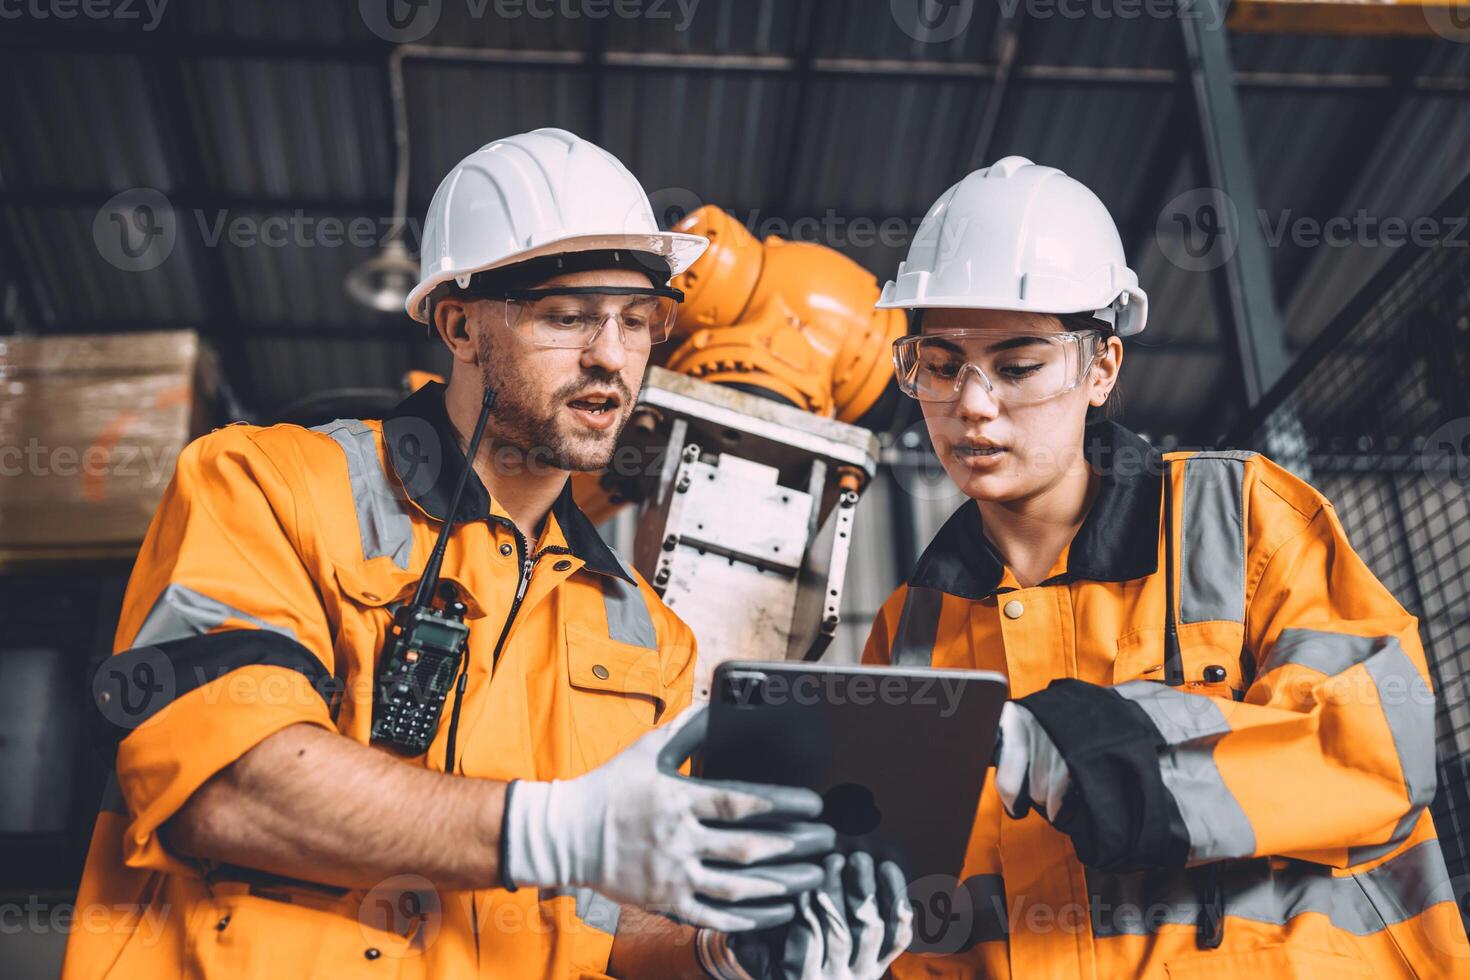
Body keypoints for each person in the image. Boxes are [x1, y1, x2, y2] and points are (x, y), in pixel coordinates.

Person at [64, 128, 909, 979]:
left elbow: (600, 925)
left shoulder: (649, 639)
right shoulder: (268, 487)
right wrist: (552, 829)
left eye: (638, 319)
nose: (611, 356)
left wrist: (726, 956)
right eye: (567, 315)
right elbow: (224, 788)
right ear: (461, 324)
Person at [862, 155, 1468, 977]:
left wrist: (1079, 753)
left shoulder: (1237, 515)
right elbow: (932, 918)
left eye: (1017, 364)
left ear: (1101, 369)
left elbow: (1372, 744)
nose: (971, 402)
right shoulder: (914, 626)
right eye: (939, 364)